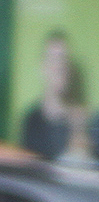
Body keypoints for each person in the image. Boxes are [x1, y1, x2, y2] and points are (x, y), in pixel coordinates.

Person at [17, 30, 82, 161]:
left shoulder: (79, 120)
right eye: (53, 59)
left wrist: (79, 131)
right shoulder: (30, 119)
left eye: (63, 60)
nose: (59, 66)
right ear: (43, 68)